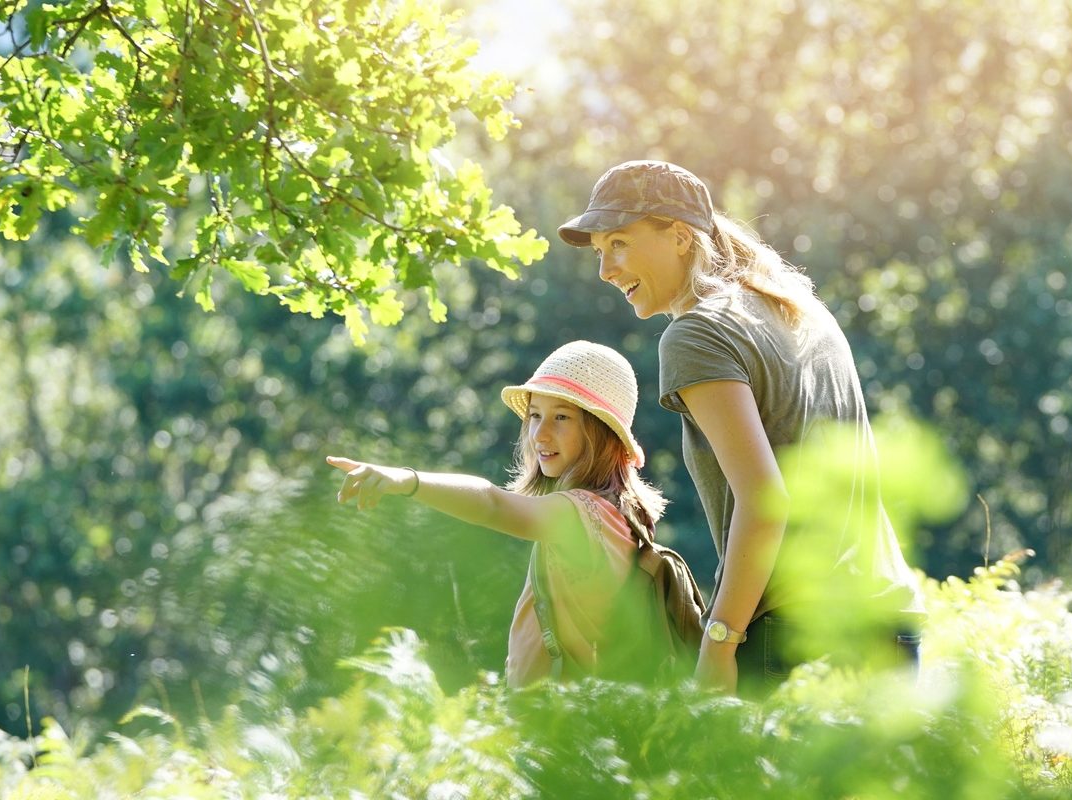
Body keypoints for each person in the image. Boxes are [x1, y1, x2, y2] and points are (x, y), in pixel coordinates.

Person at [557, 160, 924, 696]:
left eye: (618, 244)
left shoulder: (696, 335)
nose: (605, 270)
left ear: (680, 237)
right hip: (889, 619)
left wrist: (721, 640)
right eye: (598, 251)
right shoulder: (797, 309)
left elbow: (765, 499)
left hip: (796, 634)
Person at [326, 340, 672, 687]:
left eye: (562, 417)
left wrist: (407, 481)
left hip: (558, 724)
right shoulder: (617, 512)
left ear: (602, 433)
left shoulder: (583, 513)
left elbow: (491, 504)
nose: (540, 433)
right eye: (535, 415)